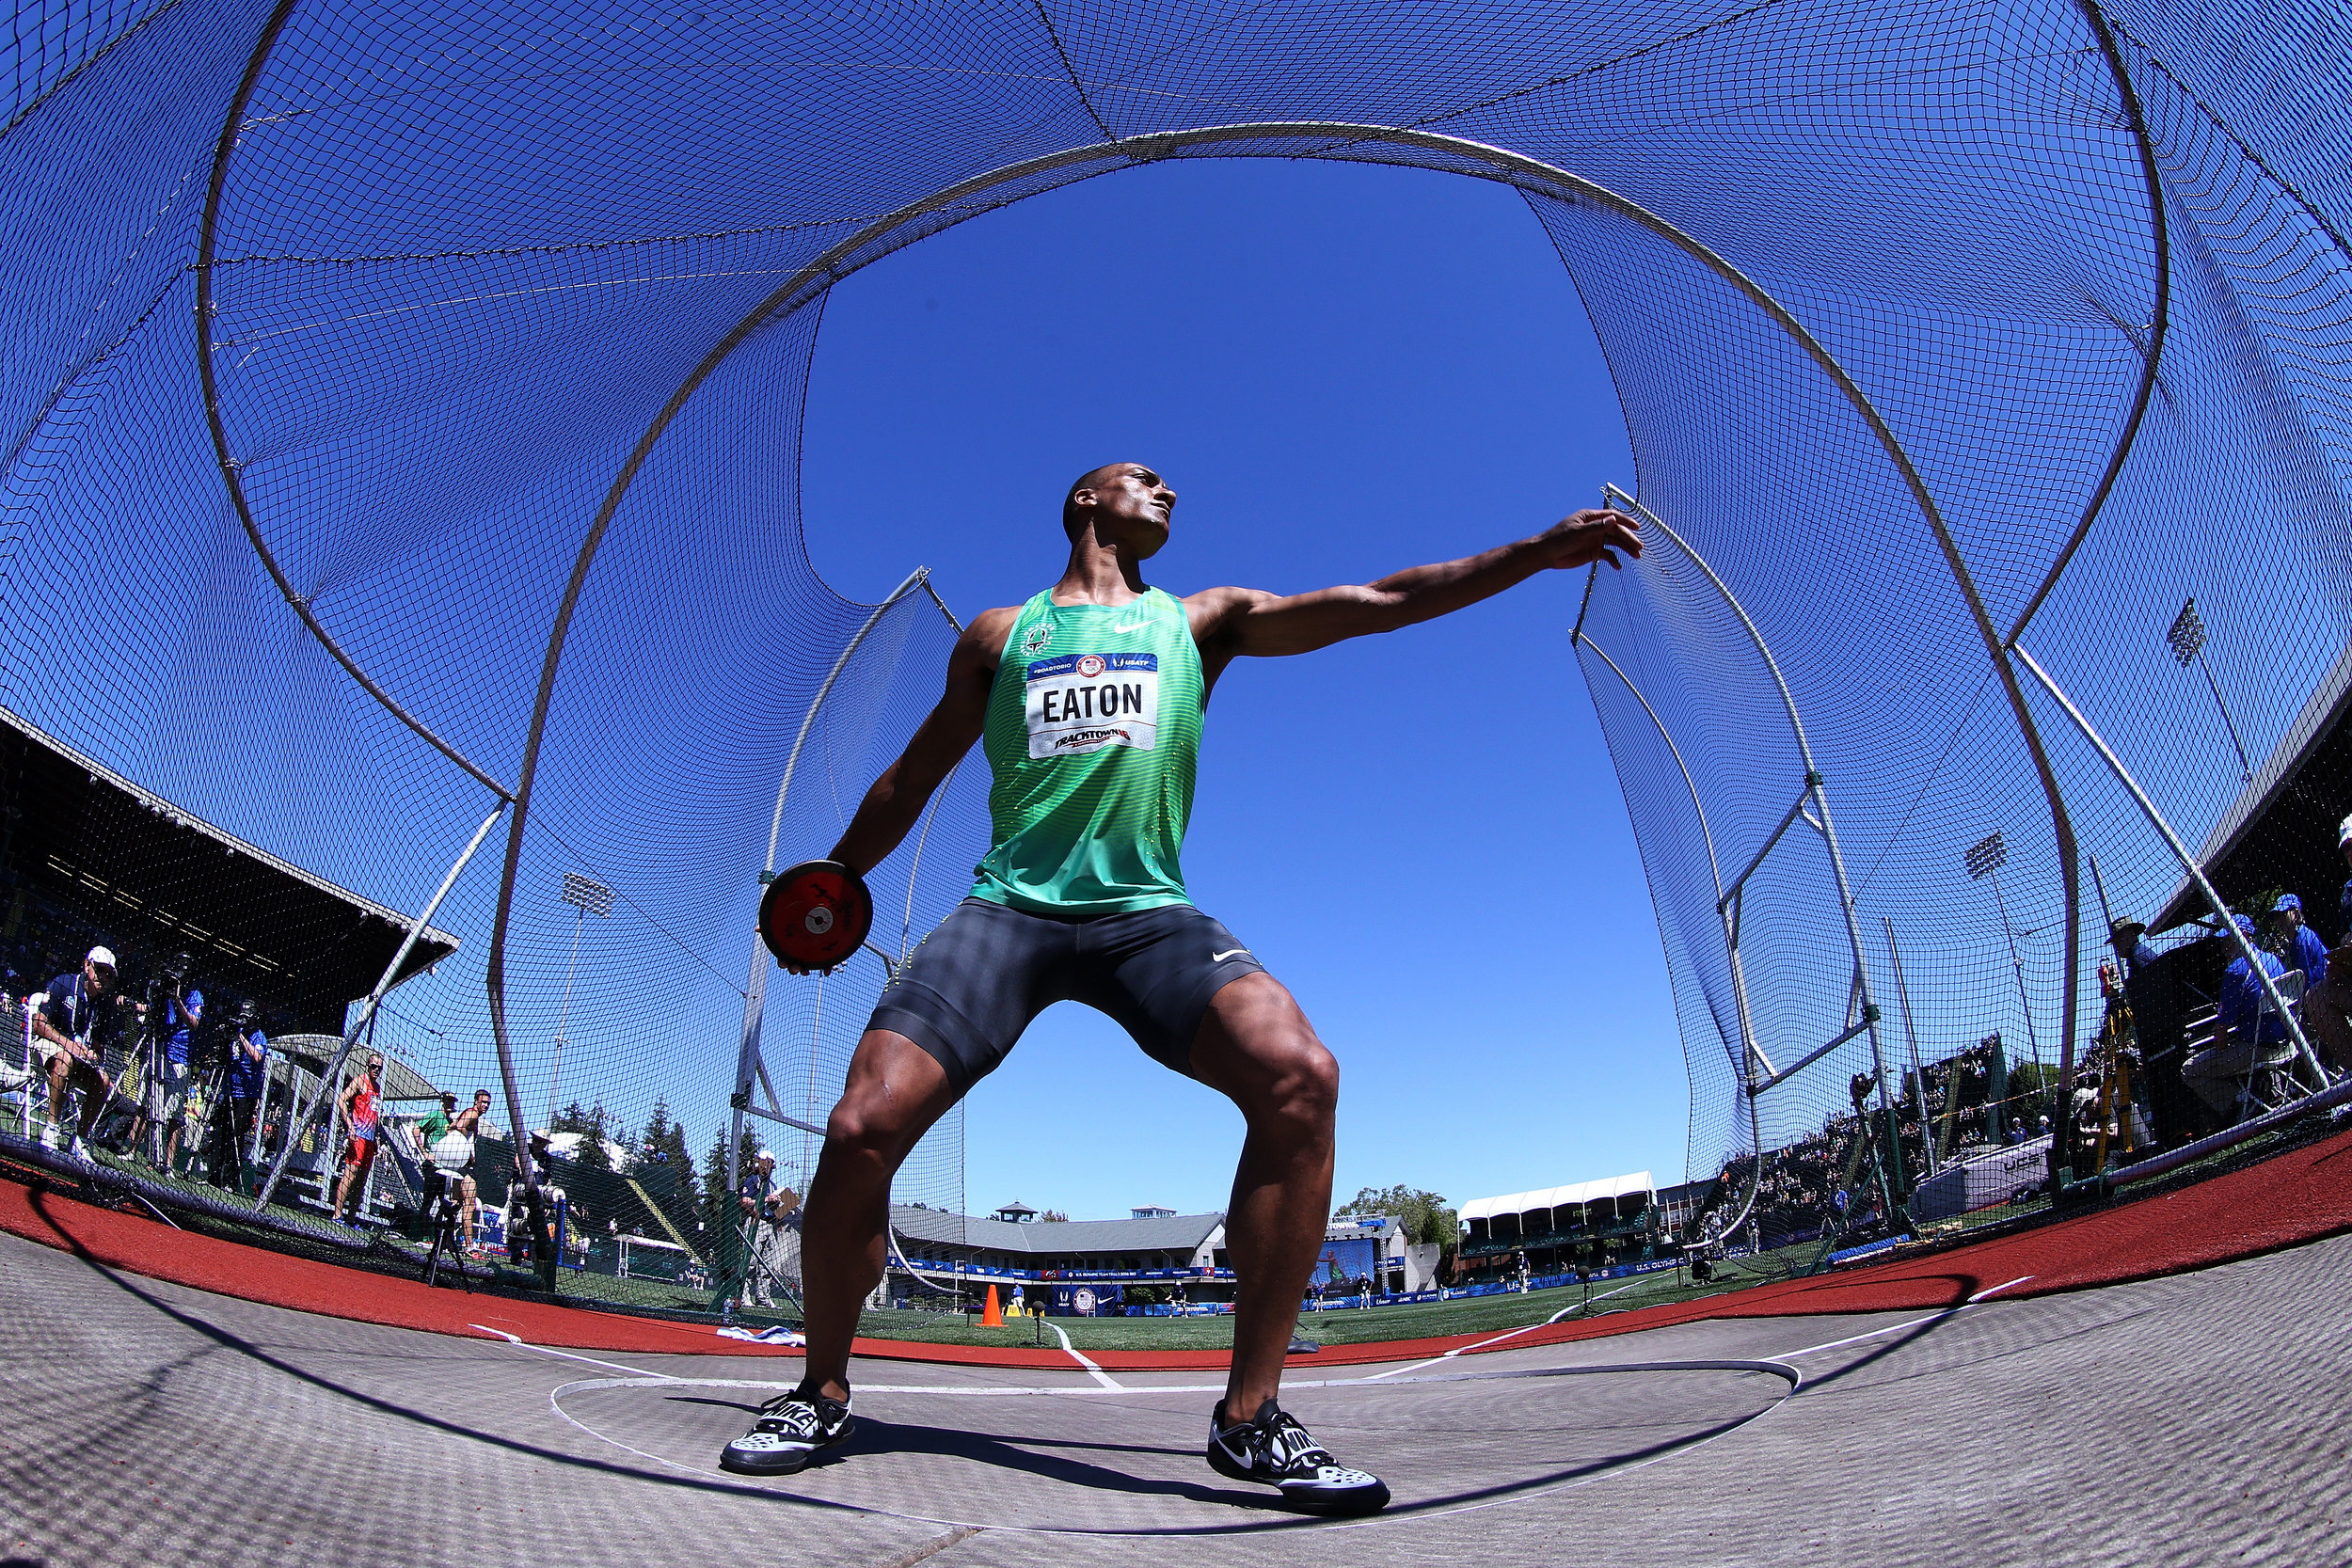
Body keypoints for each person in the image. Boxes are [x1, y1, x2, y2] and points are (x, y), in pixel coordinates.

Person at [718, 464, 1640, 1509]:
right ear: (1082, 501)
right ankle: (821, 1387)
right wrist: (836, 882)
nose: (1167, 488)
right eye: (1140, 477)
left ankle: (1248, 1419)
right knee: (858, 1127)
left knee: (1300, 1074)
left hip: (1142, 916)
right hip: (1009, 909)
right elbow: (911, 777)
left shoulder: (1203, 622)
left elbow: (1384, 601)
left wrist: (1529, 553)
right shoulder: (997, 634)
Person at [2182, 916, 2290, 1121]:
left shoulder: (2235, 971)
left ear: (2245, 936)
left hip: (2256, 1050)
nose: (2224, 948)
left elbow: (2221, 1039)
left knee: (2188, 1069)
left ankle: (2241, 1104)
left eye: (2228, 940)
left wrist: (2222, 1045)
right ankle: (2261, 1096)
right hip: (2288, 1042)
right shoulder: (2273, 959)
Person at [32, 947, 126, 1159]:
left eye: (109, 974)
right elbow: (38, 1024)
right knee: (65, 1060)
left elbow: (99, 1047)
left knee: (103, 1079)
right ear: (87, 965)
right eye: (100, 970)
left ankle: (81, 1139)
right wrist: (68, 1045)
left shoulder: (104, 1005)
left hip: (78, 1058)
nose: (103, 977)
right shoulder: (64, 983)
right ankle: (52, 1129)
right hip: (46, 1046)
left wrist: (95, 1055)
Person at [210, 1000, 269, 1192]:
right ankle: (213, 1176)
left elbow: (257, 1057)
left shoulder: (258, 1036)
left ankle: (230, 1181)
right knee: (220, 1132)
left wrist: (241, 1037)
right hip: (228, 1089)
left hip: (246, 1093)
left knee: (236, 1137)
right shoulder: (235, 1029)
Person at [330, 1053, 385, 1226]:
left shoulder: (377, 1088)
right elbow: (341, 1100)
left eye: (379, 1067)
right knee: (350, 1175)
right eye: (373, 1066)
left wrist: (376, 1137)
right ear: (367, 1066)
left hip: (369, 1139)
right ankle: (337, 1215)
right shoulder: (359, 1081)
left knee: (362, 1180)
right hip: (358, 1135)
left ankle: (352, 1218)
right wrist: (350, 1125)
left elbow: (374, 1114)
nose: (376, 1070)